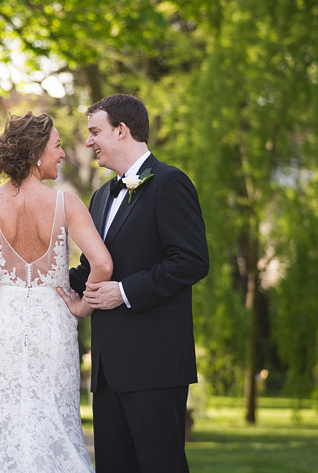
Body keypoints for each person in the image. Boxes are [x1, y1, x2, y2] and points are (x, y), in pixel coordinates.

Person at [0, 112, 113, 472]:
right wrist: (84, 305)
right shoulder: (66, 204)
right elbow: (102, 263)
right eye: (57, 147)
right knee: (55, 419)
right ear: (36, 153)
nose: (63, 154)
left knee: (4, 424)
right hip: (53, 322)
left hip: (3, 326)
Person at [64, 94, 209, 473]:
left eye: (95, 132)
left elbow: (191, 261)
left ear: (122, 130)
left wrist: (125, 292)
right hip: (109, 372)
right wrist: (38, 281)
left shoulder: (170, 183)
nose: (89, 141)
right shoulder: (99, 197)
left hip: (156, 367)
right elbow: (89, 269)